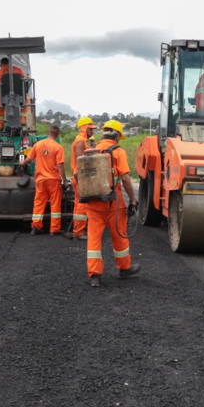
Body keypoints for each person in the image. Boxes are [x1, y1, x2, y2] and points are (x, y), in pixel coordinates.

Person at [85, 119, 139, 288]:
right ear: (116, 137)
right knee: (119, 235)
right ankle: (124, 268)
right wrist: (133, 199)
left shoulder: (90, 151)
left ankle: (95, 275)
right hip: (113, 202)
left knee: (94, 239)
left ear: (103, 134)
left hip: (92, 201)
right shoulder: (118, 152)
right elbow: (125, 178)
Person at [25, 125, 67, 236]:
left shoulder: (37, 145)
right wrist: (65, 180)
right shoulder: (58, 147)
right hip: (54, 180)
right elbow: (60, 165)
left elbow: (28, 159)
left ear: (48, 132)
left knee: (38, 203)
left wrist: (21, 163)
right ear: (57, 135)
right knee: (55, 204)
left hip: (40, 180)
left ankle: (35, 227)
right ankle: (54, 229)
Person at [64, 116, 97, 240]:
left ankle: (80, 229)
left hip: (80, 177)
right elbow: (81, 161)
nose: (92, 132)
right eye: (91, 129)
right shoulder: (79, 142)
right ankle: (79, 232)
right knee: (81, 204)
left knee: (81, 203)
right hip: (79, 177)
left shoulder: (82, 141)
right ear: (85, 129)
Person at [0, 56, 30, 130]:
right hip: (19, 95)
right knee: (27, 100)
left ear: (0, 65)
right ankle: (21, 121)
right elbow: (25, 84)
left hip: (3, 96)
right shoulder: (18, 70)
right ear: (10, 63)